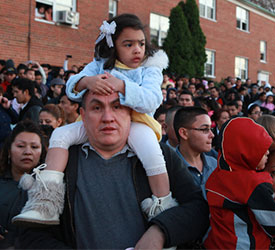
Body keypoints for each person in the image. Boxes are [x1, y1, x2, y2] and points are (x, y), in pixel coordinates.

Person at [12, 13, 176, 226]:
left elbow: (152, 100)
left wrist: (123, 86)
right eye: (128, 44)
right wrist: (87, 82)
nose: (137, 50)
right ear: (113, 45)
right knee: (60, 134)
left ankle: (162, 211)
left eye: (141, 44)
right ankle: (46, 203)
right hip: (99, 122)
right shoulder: (100, 65)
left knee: (152, 153)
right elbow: (72, 88)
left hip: (137, 124)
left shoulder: (150, 68)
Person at [17, 90, 209, 249]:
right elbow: (30, 233)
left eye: (117, 107)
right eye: (97, 108)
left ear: (130, 114)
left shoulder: (160, 156)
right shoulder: (60, 162)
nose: (107, 118)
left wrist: (160, 231)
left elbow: (197, 209)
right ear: (83, 115)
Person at [204, 118, 275, 249]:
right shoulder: (253, 184)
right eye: (261, 149)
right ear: (246, 152)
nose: (267, 153)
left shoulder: (216, 176)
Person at [0, 120, 46, 248]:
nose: (28, 152)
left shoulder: (48, 188)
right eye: (21, 146)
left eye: (34, 147)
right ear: (9, 150)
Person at [173, 106, 217, 198]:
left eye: (211, 129)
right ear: (184, 133)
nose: (211, 135)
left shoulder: (215, 164)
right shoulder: (169, 169)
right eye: (205, 129)